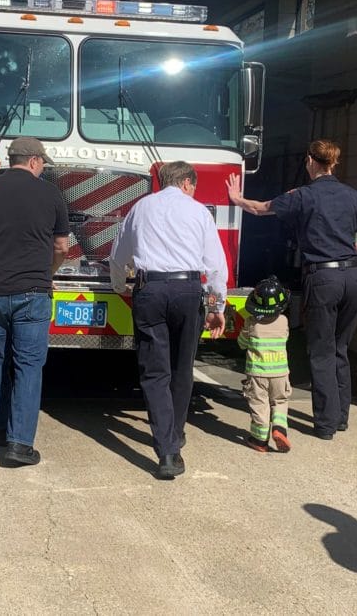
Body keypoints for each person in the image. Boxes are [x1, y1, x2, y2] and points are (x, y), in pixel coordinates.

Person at [227, 138, 357, 440]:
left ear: (309, 161)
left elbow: (263, 209)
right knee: (340, 347)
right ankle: (342, 416)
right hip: (353, 278)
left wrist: (237, 199)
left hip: (323, 278)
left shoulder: (303, 196)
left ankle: (326, 424)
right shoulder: (352, 196)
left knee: (321, 351)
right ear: (333, 163)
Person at [109, 160, 229, 480]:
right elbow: (216, 265)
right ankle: (175, 435)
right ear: (187, 183)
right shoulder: (199, 212)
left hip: (150, 289)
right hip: (188, 290)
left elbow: (119, 255)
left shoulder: (139, 208)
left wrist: (120, 286)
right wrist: (218, 306)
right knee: (182, 367)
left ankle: (167, 450)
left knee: (154, 371)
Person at [0, 136, 70, 467]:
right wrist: (46, 273)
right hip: (33, 294)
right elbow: (62, 246)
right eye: (43, 163)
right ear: (34, 161)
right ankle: (20, 444)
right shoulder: (51, 194)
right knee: (28, 366)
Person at [237, 276, 292, 453]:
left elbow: (242, 343)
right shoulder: (284, 321)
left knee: (259, 403)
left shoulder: (252, 323)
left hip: (257, 373)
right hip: (280, 373)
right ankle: (279, 428)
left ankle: (260, 440)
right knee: (280, 401)